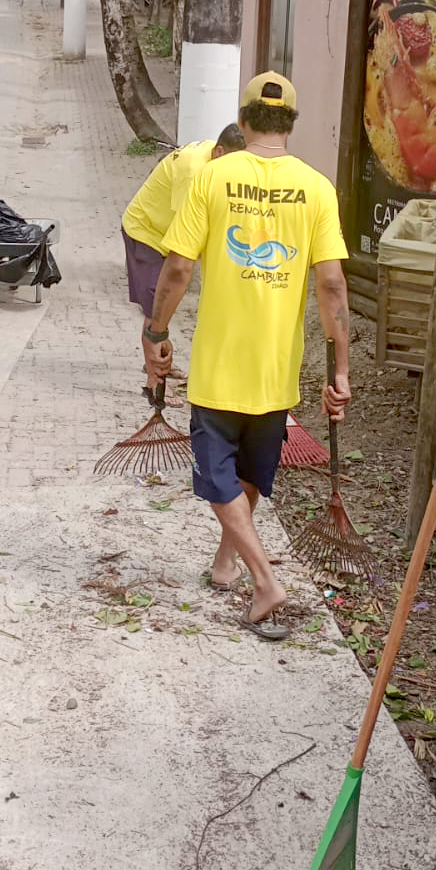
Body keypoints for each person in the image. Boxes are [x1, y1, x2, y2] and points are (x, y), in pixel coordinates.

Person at [142, 72, 351, 639]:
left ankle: (265, 582)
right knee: (253, 471)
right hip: (277, 368)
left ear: (245, 118)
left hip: (219, 364)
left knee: (217, 477)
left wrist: (155, 329)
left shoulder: (213, 177)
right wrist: (341, 371)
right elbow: (332, 286)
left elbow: (180, 267)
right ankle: (225, 561)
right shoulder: (317, 188)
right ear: (291, 124)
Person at [121, 124, 245, 334]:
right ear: (220, 151)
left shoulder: (213, 153)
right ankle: (156, 364)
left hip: (163, 229)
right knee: (157, 305)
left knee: (165, 299)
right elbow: (186, 229)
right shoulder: (193, 171)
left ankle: (159, 361)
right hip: (146, 231)